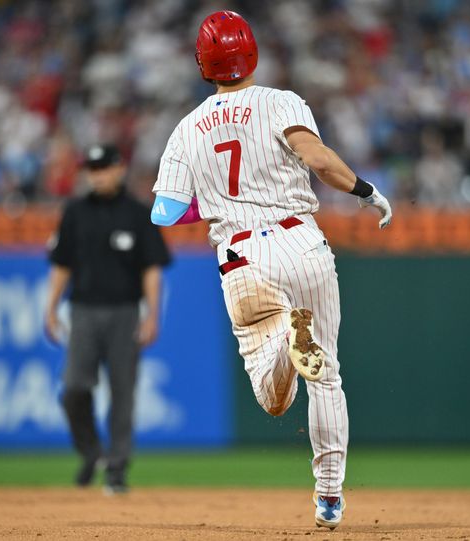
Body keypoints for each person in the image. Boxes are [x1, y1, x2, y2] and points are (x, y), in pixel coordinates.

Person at [150, 11, 392, 530]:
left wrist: (212, 201)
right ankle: (329, 498)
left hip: (240, 254)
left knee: (272, 398)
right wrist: (365, 192)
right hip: (302, 241)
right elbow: (320, 161)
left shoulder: (186, 129)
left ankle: (286, 339)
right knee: (326, 377)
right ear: (251, 53)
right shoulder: (282, 102)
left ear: (203, 64)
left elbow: (165, 212)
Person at [45, 143, 171, 493]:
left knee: (122, 394)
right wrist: (51, 307)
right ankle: (91, 452)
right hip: (83, 310)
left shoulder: (137, 213)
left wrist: (152, 316)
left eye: (103, 167)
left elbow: (151, 269)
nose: (97, 174)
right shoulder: (74, 211)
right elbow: (62, 264)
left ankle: (116, 467)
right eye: (92, 168)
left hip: (125, 311)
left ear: (119, 168)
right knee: (73, 389)